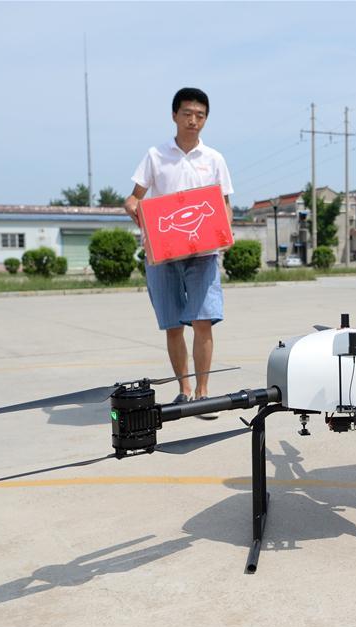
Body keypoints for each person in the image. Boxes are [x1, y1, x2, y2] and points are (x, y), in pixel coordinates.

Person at [124, 87, 233, 416]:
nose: (193, 120)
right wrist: (144, 220)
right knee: (173, 325)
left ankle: (203, 393)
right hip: (164, 255)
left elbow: (225, 205)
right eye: (187, 113)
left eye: (200, 115)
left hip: (203, 255)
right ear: (174, 115)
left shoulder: (214, 159)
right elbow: (133, 198)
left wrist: (225, 231)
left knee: (203, 322)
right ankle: (184, 391)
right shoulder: (156, 156)